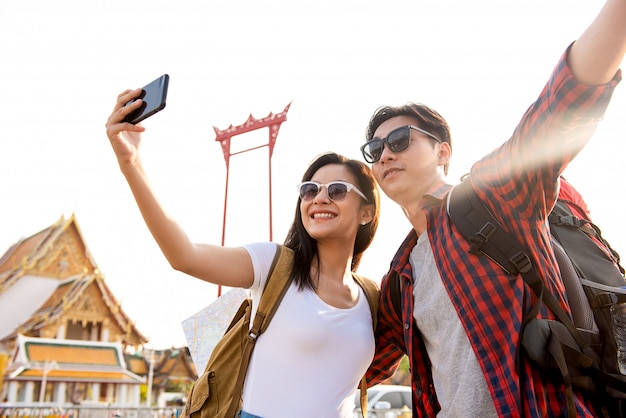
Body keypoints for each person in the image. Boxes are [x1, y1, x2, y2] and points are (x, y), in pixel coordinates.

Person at [359, 1, 626, 416]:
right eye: (375, 149)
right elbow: (352, 365)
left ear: (443, 151)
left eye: (400, 141)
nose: (385, 155)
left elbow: (559, 108)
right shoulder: (400, 277)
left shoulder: (493, 195)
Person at [105, 95, 381, 418]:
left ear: (367, 212)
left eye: (336, 190)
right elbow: (184, 255)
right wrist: (131, 162)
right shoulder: (273, 265)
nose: (320, 198)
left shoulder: (371, 295)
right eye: (310, 190)